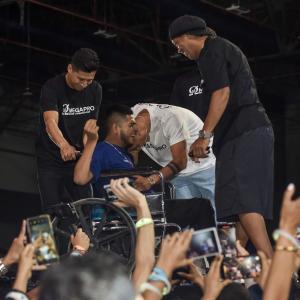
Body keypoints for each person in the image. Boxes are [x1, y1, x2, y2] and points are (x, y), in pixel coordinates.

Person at [169, 15, 274, 257]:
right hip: (253, 132)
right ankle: (231, 262)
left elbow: (222, 93)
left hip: (243, 133)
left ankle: (271, 264)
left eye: (178, 45)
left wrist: (204, 136)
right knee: (241, 206)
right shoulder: (222, 49)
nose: (180, 51)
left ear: (187, 36)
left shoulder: (210, 51)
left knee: (244, 202)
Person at [36, 48, 102, 211]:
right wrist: (64, 145)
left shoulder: (95, 90)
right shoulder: (52, 87)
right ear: (70, 68)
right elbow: (50, 122)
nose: (84, 84)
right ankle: (46, 236)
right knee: (52, 210)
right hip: (50, 159)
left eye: (89, 80)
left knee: (87, 208)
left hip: (77, 160)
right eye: (81, 79)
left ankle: (85, 236)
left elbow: (90, 127)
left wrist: (87, 151)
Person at [131, 103, 216, 210]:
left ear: (145, 134)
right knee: (185, 219)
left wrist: (150, 181)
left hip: (202, 167)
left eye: (137, 146)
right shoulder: (130, 117)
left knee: (218, 215)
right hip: (177, 175)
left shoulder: (169, 118)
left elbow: (180, 162)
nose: (138, 148)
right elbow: (131, 152)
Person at [73, 104, 136, 197]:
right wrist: (91, 142)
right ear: (116, 128)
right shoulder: (102, 150)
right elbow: (80, 179)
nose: (135, 129)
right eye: (131, 125)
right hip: (114, 210)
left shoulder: (125, 153)